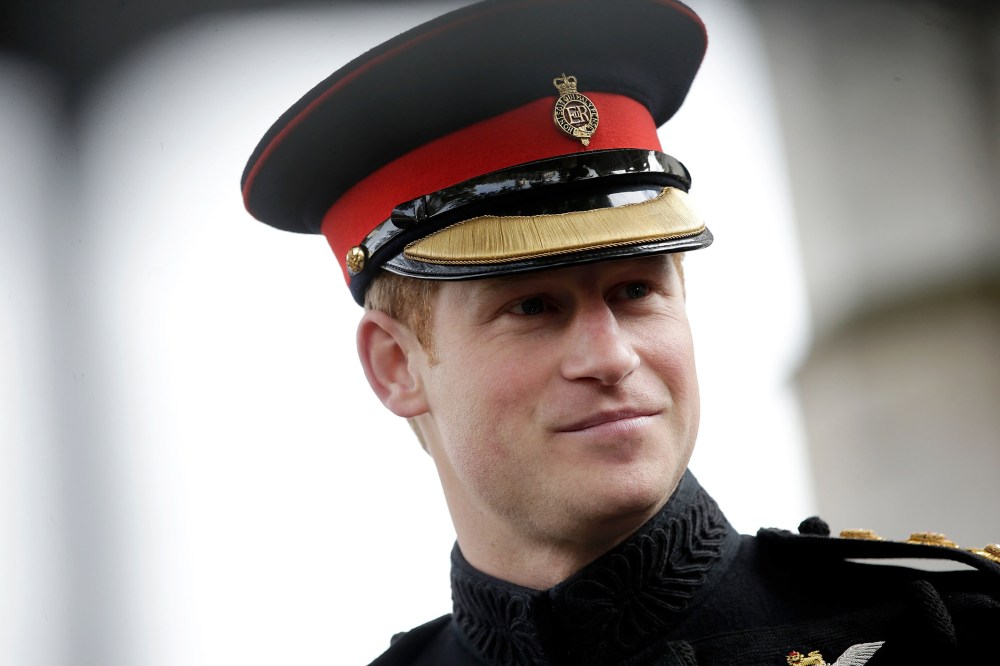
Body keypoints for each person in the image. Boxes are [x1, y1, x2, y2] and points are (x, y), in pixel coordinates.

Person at [241, 1, 1000, 663]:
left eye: (636, 291)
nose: (611, 356)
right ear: (395, 365)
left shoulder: (949, 633)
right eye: (533, 308)